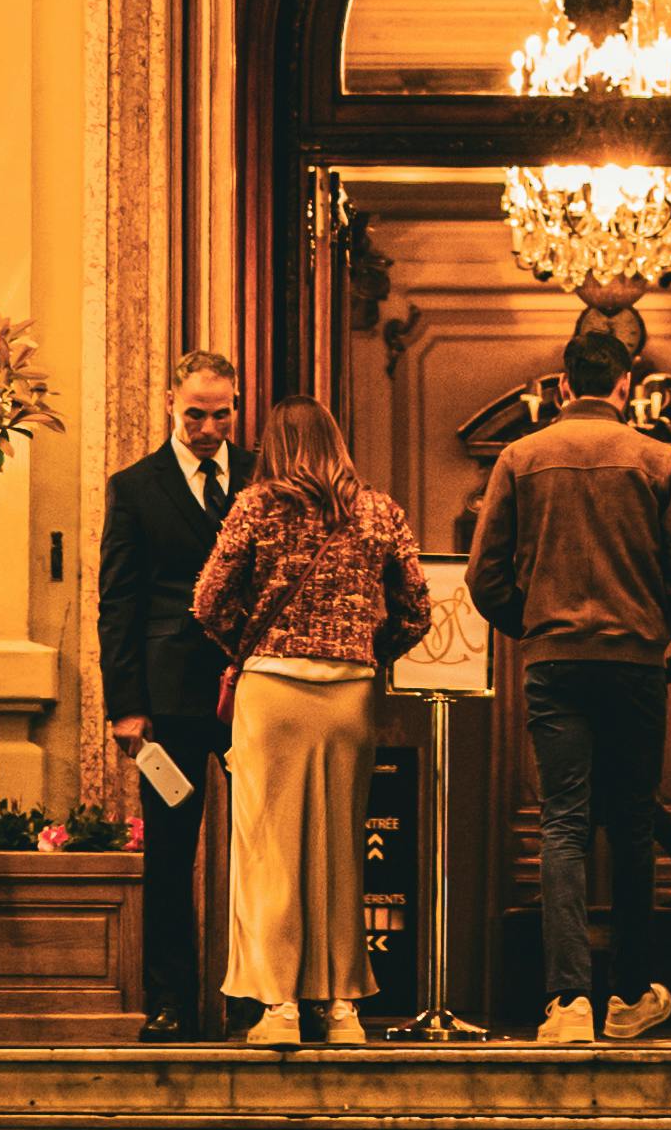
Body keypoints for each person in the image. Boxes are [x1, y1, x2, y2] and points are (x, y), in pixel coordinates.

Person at [467, 323, 671, 1048]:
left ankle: (567, 1001)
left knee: (563, 823)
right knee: (632, 826)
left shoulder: (521, 455)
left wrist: (537, 623)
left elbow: (485, 578)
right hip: (634, 663)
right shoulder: (659, 458)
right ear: (626, 386)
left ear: (564, 386)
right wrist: (650, 628)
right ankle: (629, 996)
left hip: (554, 662)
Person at [189, 402, 431, 1047]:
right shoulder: (380, 510)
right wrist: (363, 650)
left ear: (274, 443)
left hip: (271, 691)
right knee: (340, 852)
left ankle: (281, 1008)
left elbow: (208, 600)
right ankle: (343, 1008)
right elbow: (418, 611)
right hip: (349, 694)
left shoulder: (255, 505)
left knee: (271, 849)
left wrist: (249, 645)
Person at [98, 350, 240, 1037]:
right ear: (168, 403)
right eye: (196, 414)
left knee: (260, 849)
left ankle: (257, 1001)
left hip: (253, 688)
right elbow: (117, 602)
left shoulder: (262, 478)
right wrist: (125, 704)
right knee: (170, 854)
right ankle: (170, 1001)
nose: (209, 428)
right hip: (171, 692)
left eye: (222, 414)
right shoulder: (136, 487)